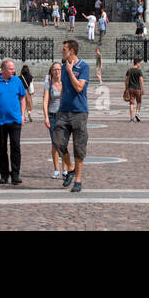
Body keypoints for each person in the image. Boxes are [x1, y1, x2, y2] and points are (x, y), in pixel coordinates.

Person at [54, 38, 90, 194]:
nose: (62, 51)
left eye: (64, 49)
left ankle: (78, 180)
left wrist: (70, 72)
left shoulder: (83, 66)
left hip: (79, 111)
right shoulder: (62, 66)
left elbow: (79, 88)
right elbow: (64, 89)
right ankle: (70, 168)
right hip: (64, 111)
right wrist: (60, 105)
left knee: (79, 146)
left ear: (71, 51)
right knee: (58, 141)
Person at [0, 58, 29, 186]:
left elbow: (22, 98)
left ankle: (15, 174)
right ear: (2, 69)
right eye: (10, 69)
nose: (13, 71)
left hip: (15, 120)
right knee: (1, 149)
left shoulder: (17, 81)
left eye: (14, 69)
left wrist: (22, 114)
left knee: (15, 147)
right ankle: (4, 174)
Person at [43, 61, 67, 179]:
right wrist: (46, 116)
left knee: (63, 142)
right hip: (52, 115)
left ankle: (65, 168)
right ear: (51, 71)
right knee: (55, 143)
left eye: (59, 69)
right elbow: (45, 100)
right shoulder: (48, 82)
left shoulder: (66, 82)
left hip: (64, 116)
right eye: (54, 70)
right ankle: (56, 168)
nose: (57, 72)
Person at [124, 57, 144, 122]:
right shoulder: (139, 71)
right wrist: (142, 89)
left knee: (131, 103)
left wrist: (126, 88)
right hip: (137, 88)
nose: (140, 64)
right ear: (137, 63)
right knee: (139, 102)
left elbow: (126, 80)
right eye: (139, 63)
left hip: (130, 88)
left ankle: (132, 118)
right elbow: (141, 81)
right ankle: (137, 113)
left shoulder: (129, 70)